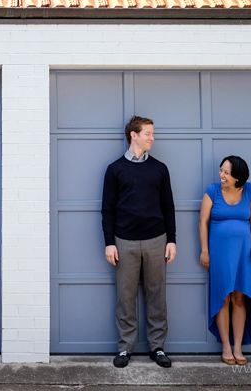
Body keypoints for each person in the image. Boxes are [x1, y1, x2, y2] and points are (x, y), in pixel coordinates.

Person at [101, 115, 176, 369]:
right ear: (134, 135)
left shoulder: (160, 168)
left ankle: (157, 346)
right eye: (148, 133)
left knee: (157, 295)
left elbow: (168, 207)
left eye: (152, 133)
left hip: (157, 239)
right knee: (126, 296)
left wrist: (172, 240)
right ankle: (125, 348)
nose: (152, 138)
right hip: (124, 242)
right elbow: (107, 209)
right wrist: (109, 242)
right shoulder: (115, 170)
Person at [199, 155, 251, 366]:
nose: (221, 175)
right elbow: (202, 222)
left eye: (226, 172)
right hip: (219, 254)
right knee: (224, 297)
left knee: (239, 298)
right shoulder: (212, 191)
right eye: (221, 170)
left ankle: (238, 347)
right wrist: (204, 251)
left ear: (238, 177)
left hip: (243, 254)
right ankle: (226, 347)